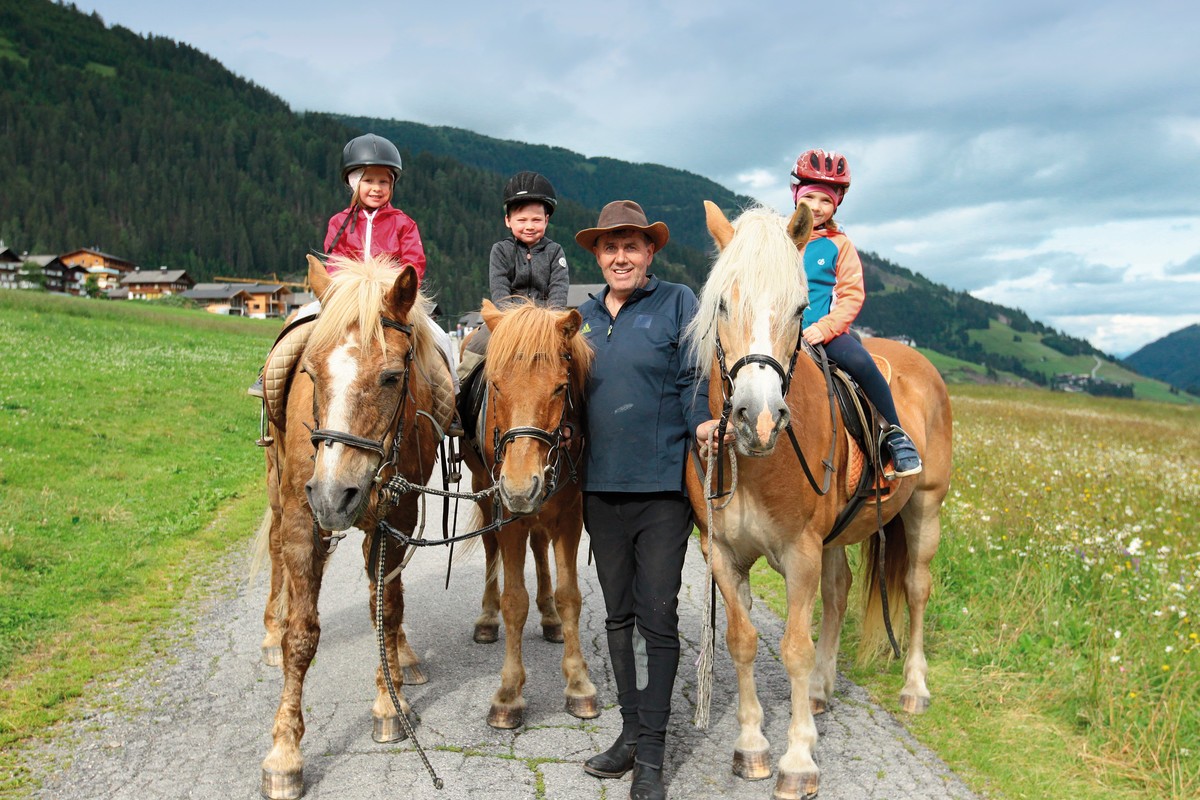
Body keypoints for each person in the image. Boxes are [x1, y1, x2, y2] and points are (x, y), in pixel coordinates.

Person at [575, 200, 718, 800]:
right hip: (598, 489)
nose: (620, 256)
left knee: (658, 619)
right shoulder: (578, 317)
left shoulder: (678, 301)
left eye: (631, 246)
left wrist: (702, 422)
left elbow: (695, 376)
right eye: (610, 247)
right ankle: (630, 735)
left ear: (649, 251)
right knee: (615, 617)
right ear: (598, 255)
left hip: (661, 487)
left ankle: (654, 758)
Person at [249, 133, 457, 397]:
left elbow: (413, 264)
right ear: (354, 182)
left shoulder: (404, 223)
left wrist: (394, 292)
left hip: (390, 301)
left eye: (384, 181)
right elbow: (334, 261)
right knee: (298, 321)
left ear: (392, 186)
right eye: (369, 180)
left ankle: (452, 398)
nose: (376, 188)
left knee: (440, 337)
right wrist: (344, 291)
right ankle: (269, 376)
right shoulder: (340, 222)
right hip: (347, 299)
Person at [790, 148, 922, 477]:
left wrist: (826, 327)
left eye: (826, 201)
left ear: (836, 205)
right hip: (781, 330)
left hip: (823, 332)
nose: (817, 207)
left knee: (862, 362)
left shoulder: (840, 244)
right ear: (796, 197)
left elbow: (851, 295)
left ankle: (894, 434)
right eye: (811, 199)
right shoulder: (781, 238)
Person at [455, 171, 569, 382]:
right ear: (508, 220)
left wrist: (551, 320)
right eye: (522, 219)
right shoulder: (500, 250)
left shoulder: (555, 252)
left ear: (546, 219)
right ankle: (460, 397)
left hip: (545, 322)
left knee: (576, 356)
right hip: (508, 320)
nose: (529, 226)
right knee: (476, 347)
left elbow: (559, 290)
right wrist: (511, 321)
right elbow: (499, 289)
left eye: (536, 220)